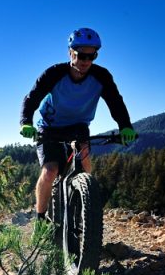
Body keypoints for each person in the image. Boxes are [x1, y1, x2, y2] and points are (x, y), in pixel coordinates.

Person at [19, 27, 137, 220]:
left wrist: (125, 126)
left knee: (84, 161)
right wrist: (26, 122)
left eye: (92, 57)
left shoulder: (102, 76)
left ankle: (84, 199)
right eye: (81, 55)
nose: (86, 61)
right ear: (70, 52)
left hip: (78, 126)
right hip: (49, 126)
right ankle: (40, 218)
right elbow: (32, 97)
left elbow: (115, 102)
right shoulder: (54, 73)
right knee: (50, 172)